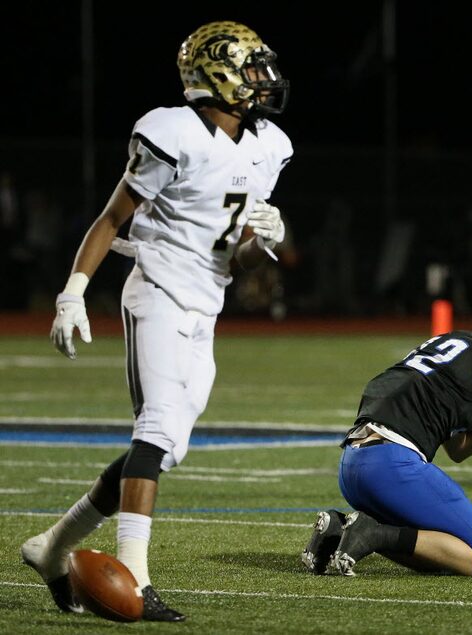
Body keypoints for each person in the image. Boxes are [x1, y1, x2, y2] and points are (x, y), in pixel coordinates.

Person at [20, 21, 293, 621]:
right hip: (159, 291)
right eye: (250, 67)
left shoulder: (266, 144)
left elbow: (240, 259)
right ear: (216, 74)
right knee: (156, 431)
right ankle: (138, 580)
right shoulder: (172, 132)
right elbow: (113, 217)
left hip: (208, 302)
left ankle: (53, 546)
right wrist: (74, 292)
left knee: (166, 448)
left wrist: (265, 241)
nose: (263, 79)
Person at [301, 330, 472, 577]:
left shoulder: (462, 354)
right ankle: (372, 532)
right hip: (392, 466)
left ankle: (339, 533)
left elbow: (459, 449)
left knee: (446, 555)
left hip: (353, 465)